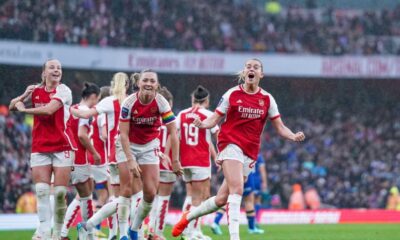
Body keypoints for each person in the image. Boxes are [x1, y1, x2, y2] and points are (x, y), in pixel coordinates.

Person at [172, 58, 305, 240]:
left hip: (250, 151)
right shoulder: (231, 94)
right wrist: (202, 124)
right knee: (237, 190)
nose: (251, 69)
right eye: (248, 67)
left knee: (220, 199)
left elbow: (280, 127)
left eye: (255, 67)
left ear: (261, 74)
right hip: (230, 143)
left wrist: (292, 135)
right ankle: (235, 237)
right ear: (244, 72)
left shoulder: (267, 99)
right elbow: (215, 119)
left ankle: (188, 217)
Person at [9, 59, 76, 240]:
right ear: (44, 73)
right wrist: (24, 96)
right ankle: (44, 232)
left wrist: (24, 110)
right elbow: (11, 106)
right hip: (40, 147)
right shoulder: (36, 91)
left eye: (59, 68)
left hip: (62, 146)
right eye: (52, 67)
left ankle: (59, 233)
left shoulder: (64, 90)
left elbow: (48, 110)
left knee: (60, 193)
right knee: (41, 191)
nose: (56, 70)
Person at [117, 69, 182, 240]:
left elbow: (173, 133)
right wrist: (130, 159)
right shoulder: (129, 103)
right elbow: (123, 134)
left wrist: (175, 160)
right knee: (126, 189)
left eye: (152, 81)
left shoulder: (161, 103)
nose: (148, 83)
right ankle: (122, 234)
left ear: (156, 85)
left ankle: (134, 228)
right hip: (127, 145)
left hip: (149, 146)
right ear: (139, 83)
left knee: (151, 193)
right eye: (145, 80)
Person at [74, 73, 132, 240]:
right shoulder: (131, 101)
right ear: (127, 85)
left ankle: (117, 234)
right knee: (127, 195)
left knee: (117, 196)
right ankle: (91, 226)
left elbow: (88, 114)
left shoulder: (107, 101)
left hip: (112, 155)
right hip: (126, 153)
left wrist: (72, 110)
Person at [177, 85, 219, 240]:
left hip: (185, 160)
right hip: (200, 161)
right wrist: (222, 155)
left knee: (197, 196)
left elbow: (174, 135)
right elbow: (217, 136)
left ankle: (195, 230)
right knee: (197, 198)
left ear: (193, 99)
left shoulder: (181, 114)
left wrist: (176, 157)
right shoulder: (208, 115)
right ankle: (189, 232)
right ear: (206, 101)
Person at [60, 82, 101, 239]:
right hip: (79, 159)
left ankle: (65, 233)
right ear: (92, 97)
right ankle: (87, 234)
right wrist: (95, 153)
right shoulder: (85, 112)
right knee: (86, 198)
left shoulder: (73, 108)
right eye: (97, 99)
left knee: (83, 195)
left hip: (66, 157)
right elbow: (82, 135)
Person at [147, 86, 177, 240]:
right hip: (167, 163)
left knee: (151, 199)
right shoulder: (172, 119)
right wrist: (166, 155)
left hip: (151, 161)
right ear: (169, 102)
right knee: (164, 199)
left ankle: (149, 231)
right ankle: (158, 233)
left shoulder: (152, 118)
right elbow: (174, 138)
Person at [211, 154, 266, 235]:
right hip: (246, 173)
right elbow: (261, 169)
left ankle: (215, 222)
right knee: (249, 200)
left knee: (225, 199)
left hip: (232, 171)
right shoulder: (254, 153)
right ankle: (252, 228)